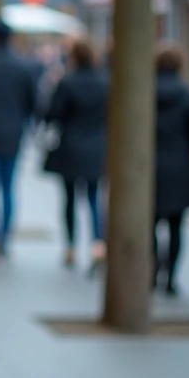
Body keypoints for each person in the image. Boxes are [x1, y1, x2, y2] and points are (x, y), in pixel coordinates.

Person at [42, 37, 108, 270]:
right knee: (94, 198)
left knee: (69, 199)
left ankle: (70, 247)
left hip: (70, 146)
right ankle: (98, 245)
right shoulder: (106, 81)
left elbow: (52, 114)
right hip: (98, 146)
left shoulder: (67, 82)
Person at [0, 19, 38, 262]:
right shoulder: (23, 66)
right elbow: (32, 104)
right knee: (9, 188)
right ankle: (5, 238)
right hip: (13, 135)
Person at [152, 41, 189, 296]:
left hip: (149, 167)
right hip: (180, 167)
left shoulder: (143, 93)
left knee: (148, 225)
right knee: (176, 227)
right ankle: (170, 277)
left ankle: (150, 272)